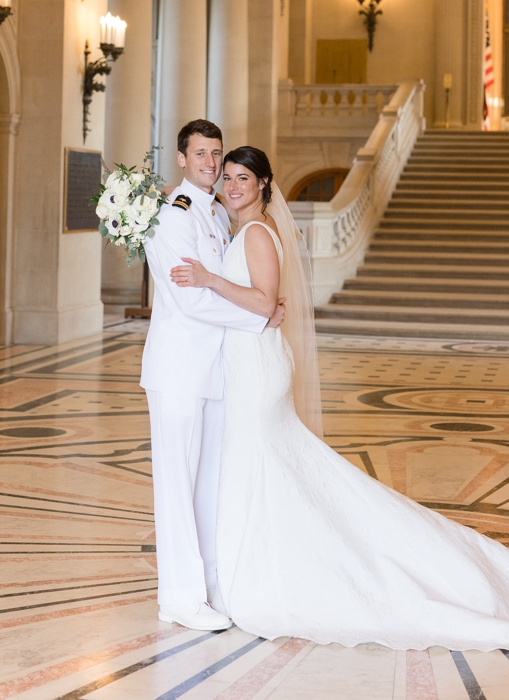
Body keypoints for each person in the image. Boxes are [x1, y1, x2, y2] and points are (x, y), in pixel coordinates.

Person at [168, 145, 509, 650]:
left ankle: (271, 575)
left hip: (257, 374)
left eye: (244, 177)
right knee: (272, 471)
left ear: (264, 184)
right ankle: (257, 566)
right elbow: (265, 304)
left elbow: (264, 302)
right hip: (248, 365)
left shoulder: (258, 233)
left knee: (263, 464)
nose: (233, 185)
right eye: (229, 177)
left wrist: (209, 279)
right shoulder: (241, 229)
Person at [140, 119, 285, 633]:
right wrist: (259, 314)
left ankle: (205, 586)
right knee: (177, 486)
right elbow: (190, 298)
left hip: (214, 371)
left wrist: (259, 306)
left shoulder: (217, 214)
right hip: (179, 370)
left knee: (205, 486)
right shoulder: (174, 214)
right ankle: (179, 598)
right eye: (199, 153)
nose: (208, 162)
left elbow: (224, 282)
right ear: (181, 158)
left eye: (215, 154)